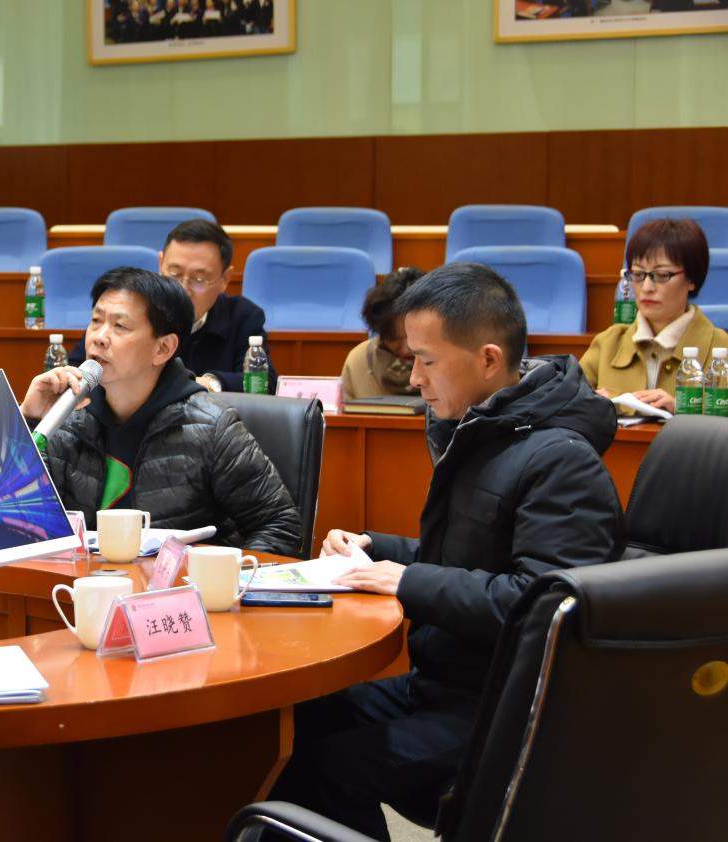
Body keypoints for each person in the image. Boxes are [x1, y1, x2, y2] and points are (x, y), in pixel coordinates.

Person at [269, 263, 624, 840]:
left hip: (505, 706)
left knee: (328, 771)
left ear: (488, 359)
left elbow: (544, 606)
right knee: (294, 722)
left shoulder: (561, 460)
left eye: (426, 361)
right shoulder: (487, 432)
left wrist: (404, 582)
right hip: (443, 682)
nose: (414, 379)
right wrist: (375, 550)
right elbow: (471, 558)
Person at [30, 266, 300, 556]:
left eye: (120, 326)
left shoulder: (211, 426)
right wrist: (29, 419)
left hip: (181, 583)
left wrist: (215, 573)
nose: (99, 337)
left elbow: (281, 526)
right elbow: (13, 518)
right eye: (96, 321)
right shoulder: (67, 418)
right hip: (82, 582)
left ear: (163, 348)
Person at [69, 219, 276, 393]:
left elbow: (264, 383)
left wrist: (210, 383)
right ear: (160, 264)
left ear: (225, 279)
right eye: (175, 274)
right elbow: (76, 369)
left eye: (199, 279)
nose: (183, 288)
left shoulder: (243, 316)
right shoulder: (134, 311)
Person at [580, 217, 728, 415]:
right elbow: (561, 406)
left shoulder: (721, 347)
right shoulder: (608, 343)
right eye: (638, 274)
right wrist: (588, 404)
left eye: (662, 275)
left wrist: (682, 409)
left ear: (691, 279)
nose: (647, 287)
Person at [340, 266, 425, 400]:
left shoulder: (450, 360)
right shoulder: (359, 361)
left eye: (413, 337)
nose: (406, 349)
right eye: (393, 338)